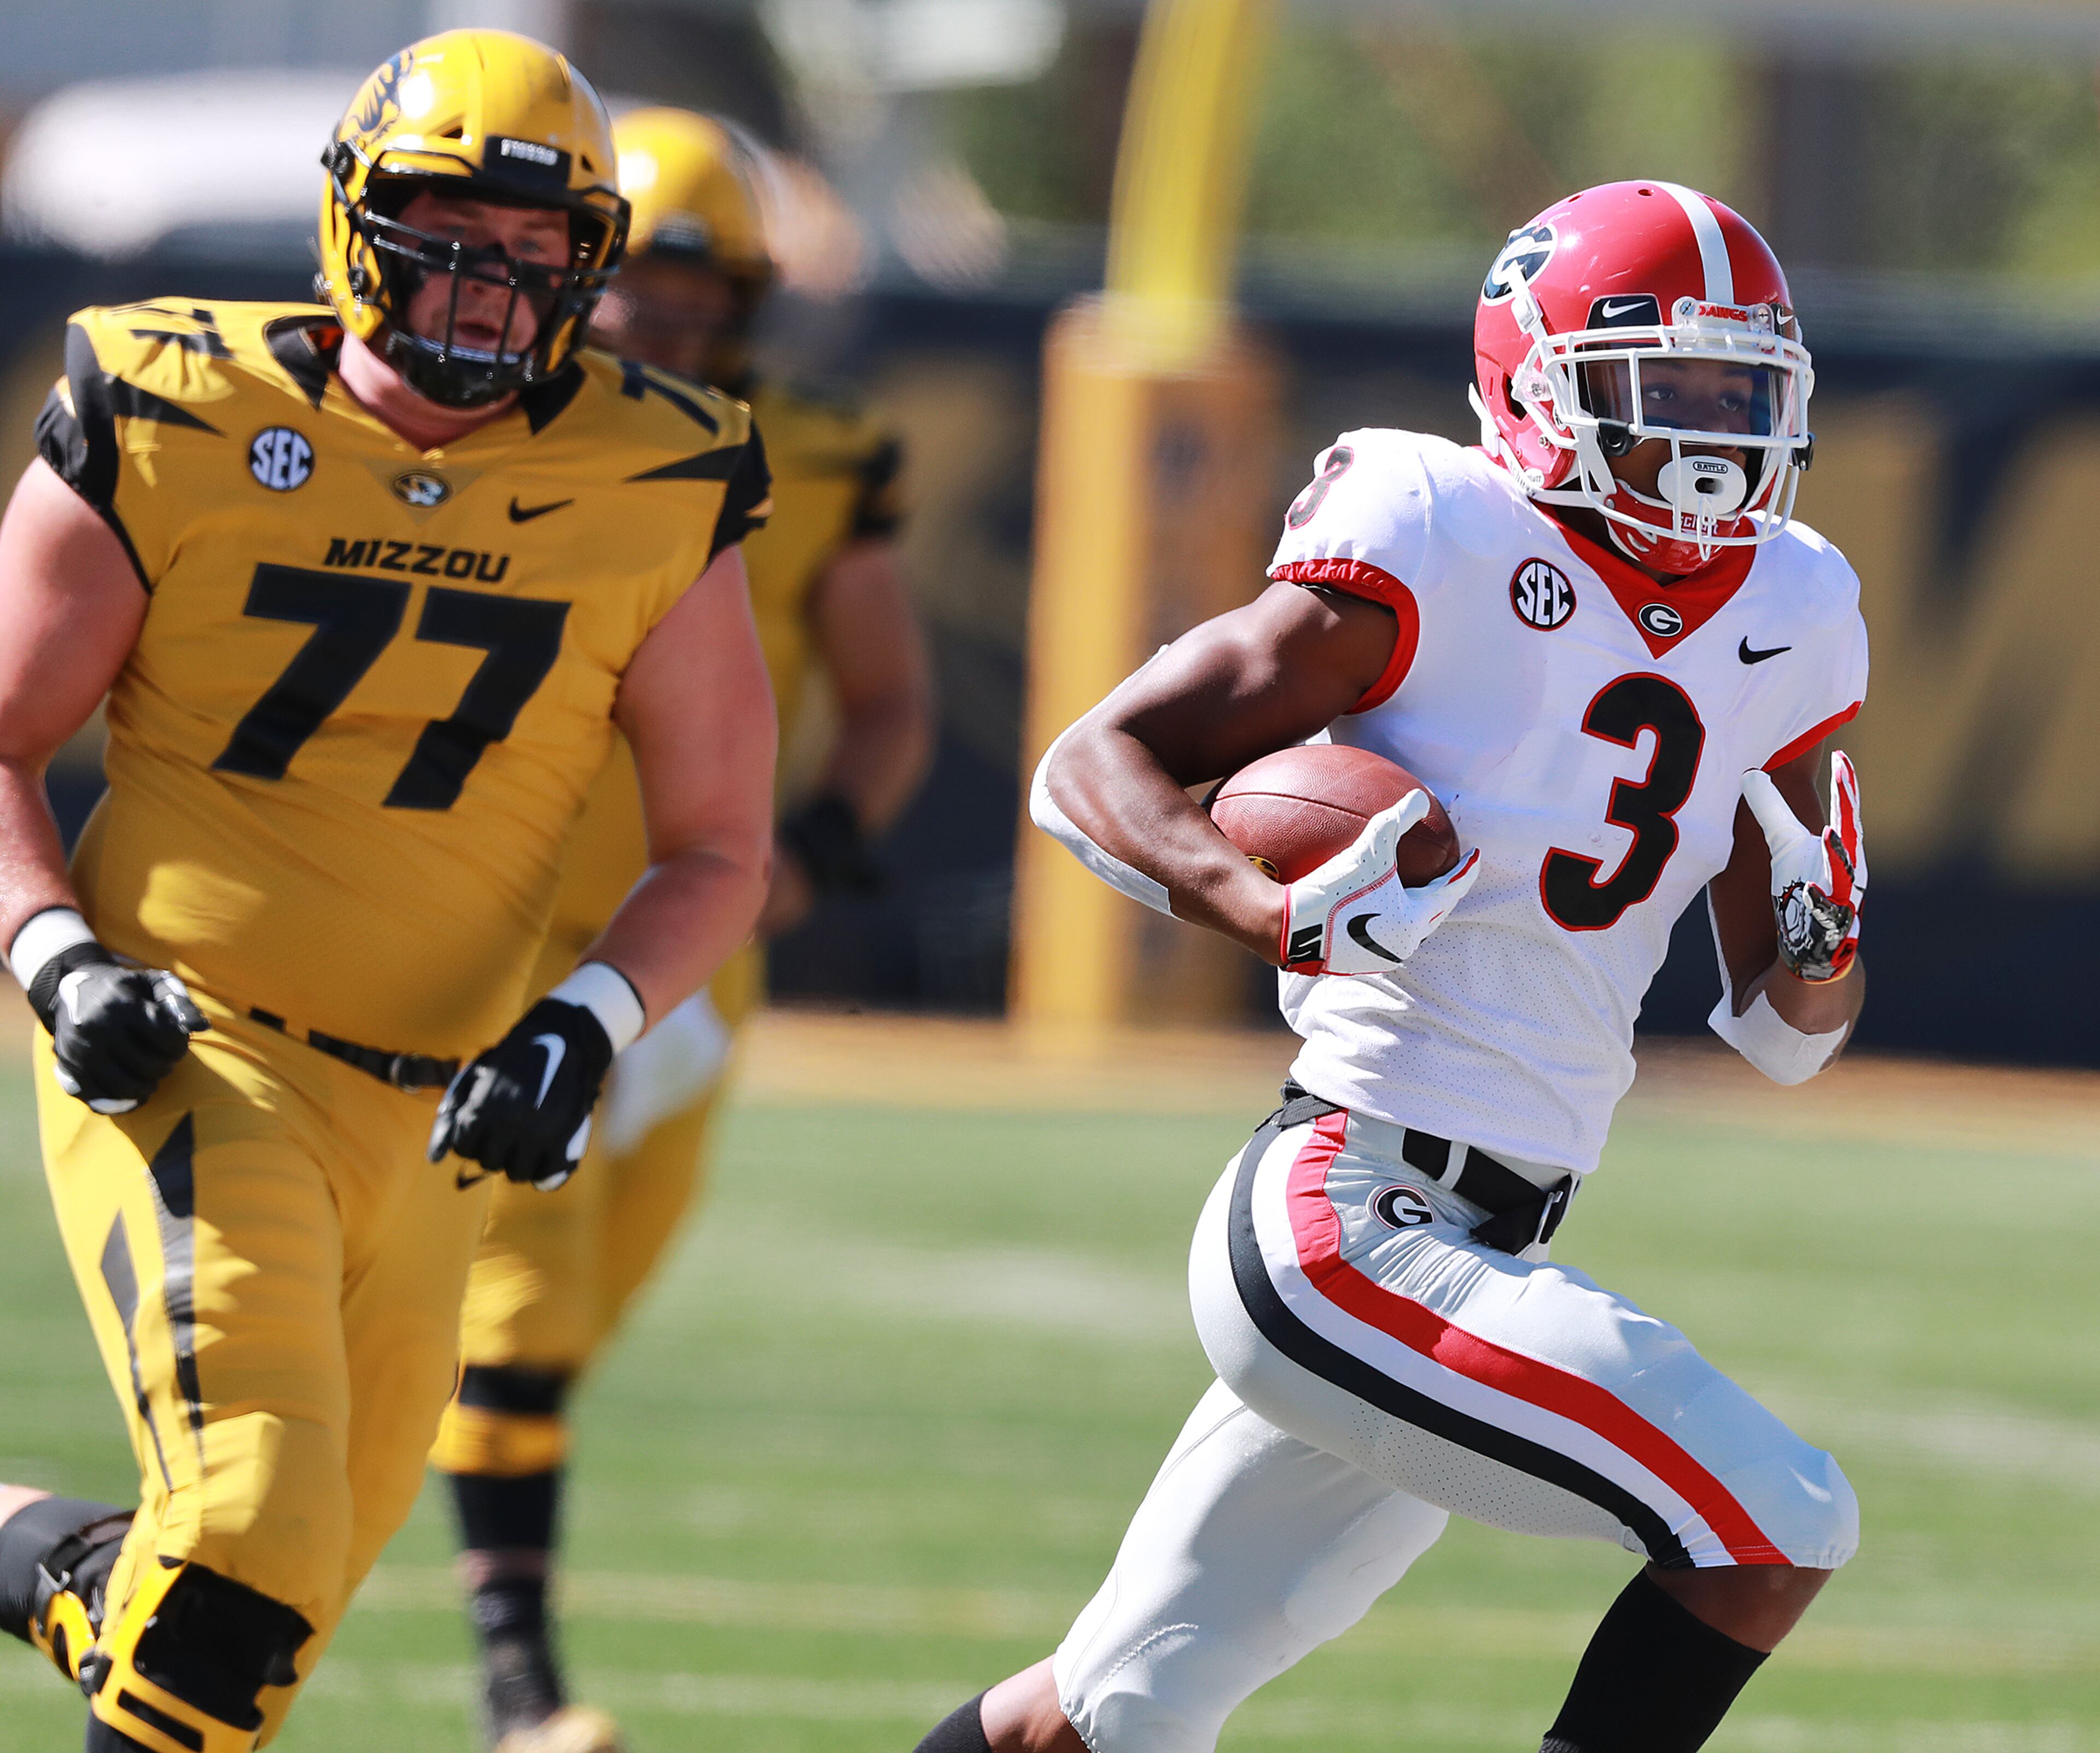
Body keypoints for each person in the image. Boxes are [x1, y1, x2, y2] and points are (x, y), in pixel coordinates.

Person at [915, 182, 1870, 1753]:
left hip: (1492, 1227)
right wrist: (1272, 909)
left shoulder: (1797, 607)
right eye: (1663, 385)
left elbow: (1787, 1028)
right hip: (1345, 1214)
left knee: (1105, 1717)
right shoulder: (1440, 533)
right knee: (1773, 1522)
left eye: (1739, 391)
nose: (1710, 433)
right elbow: (1096, 764)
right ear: (1537, 380)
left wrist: (1825, 933)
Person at [0, 32, 777, 1753]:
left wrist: (587, 1022)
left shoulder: (661, 474)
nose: (491, 286)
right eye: (451, 225)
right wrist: (56, 960)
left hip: (440, 1119)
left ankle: (22, 1552)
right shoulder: (171, 403)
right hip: (198, 1055)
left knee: (238, 1653)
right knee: (242, 1555)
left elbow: (720, 843)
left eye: (536, 251)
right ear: (356, 218)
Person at [426, 107, 931, 1753]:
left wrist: (816, 850)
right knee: (516, 1325)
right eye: (647, 280)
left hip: (696, 957)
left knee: (558, 1343)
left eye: (712, 292)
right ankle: (525, 1695)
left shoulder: (807, 456)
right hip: (505, 946)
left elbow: (886, 701)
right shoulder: (489, 440)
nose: (677, 319)